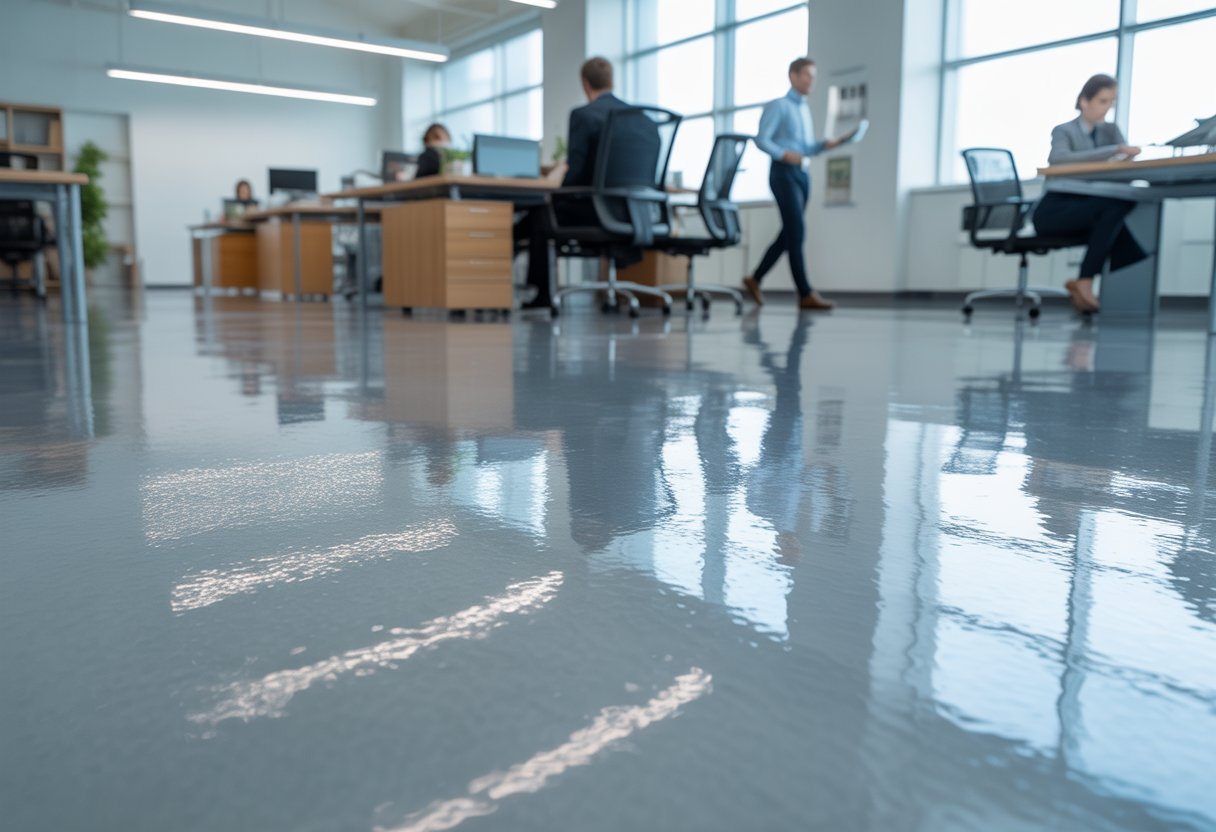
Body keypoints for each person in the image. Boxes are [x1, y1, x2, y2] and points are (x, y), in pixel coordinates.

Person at [519, 57, 632, 311]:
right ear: (611, 81)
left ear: (585, 83)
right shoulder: (640, 119)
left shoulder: (584, 115)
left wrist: (556, 183)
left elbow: (576, 173)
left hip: (594, 209)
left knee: (539, 213)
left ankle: (541, 295)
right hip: (632, 211)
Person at [743, 58, 854, 312]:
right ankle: (805, 293)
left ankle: (755, 278)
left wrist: (825, 145)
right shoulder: (779, 106)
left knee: (790, 234)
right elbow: (761, 139)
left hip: (802, 174)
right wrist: (783, 154)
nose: (811, 80)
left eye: (814, 76)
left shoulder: (804, 109)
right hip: (783, 173)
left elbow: (804, 148)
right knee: (797, 232)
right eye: (807, 75)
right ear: (793, 76)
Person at [1033, 74, 1147, 314]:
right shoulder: (1064, 131)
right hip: (1055, 210)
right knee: (1114, 212)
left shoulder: (1111, 130)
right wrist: (1113, 151)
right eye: (1103, 101)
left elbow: (1123, 168)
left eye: (1112, 102)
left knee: (1120, 205)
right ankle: (1089, 280)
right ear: (1085, 101)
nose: (1107, 108)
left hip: (1090, 209)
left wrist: (1125, 156)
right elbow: (1059, 159)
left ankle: (1085, 281)